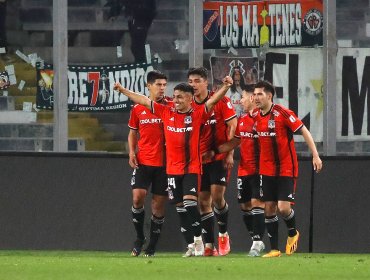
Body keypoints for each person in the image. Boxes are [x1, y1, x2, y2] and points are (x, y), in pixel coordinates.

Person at [114, 76, 233, 257]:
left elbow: (212, 101)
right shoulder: (165, 112)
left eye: (180, 97)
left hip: (191, 168)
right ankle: (192, 245)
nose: (175, 100)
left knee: (190, 204)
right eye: (175, 96)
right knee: (181, 208)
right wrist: (122, 91)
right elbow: (143, 100)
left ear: (189, 99)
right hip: (172, 170)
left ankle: (199, 238)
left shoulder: (198, 114)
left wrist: (225, 86)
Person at [252, 80, 322, 258]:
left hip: (286, 168)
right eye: (255, 94)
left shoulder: (282, 113)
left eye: (260, 94)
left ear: (269, 96)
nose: (256, 97)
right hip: (266, 169)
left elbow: (304, 130)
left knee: (283, 208)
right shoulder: (256, 115)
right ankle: (274, 249)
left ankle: (292, 233)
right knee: (269, 208)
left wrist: (315, 155)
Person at [188, 67, 237, 256]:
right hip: (199, 159)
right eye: (191, 81)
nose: (193, 85)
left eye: (197, 81)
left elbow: (232, 125)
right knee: (203, 201)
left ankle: (223, 233)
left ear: (206, 82)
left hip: (218, 156)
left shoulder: (221, 101)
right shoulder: (188, 104)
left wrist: (230, 153)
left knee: (217, 197)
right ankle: (209, 246)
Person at [217, 84, 266, 257]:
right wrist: (217, 151)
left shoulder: (263, 119)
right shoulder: (243, 119)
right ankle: (255, 239)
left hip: (260, 170)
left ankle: (258, 242)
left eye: (243, 98)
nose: (241, 101)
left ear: (252, 98)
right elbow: (235, 141)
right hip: (244, 170)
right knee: (245, 205)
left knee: (257, 203)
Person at [127, 70, 170, 257]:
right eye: (158, 85)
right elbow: (132, 132)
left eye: (164, 85)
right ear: (148, 86)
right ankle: (139, 238)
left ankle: (152, 246)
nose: (162, 88)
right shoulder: (137, 109)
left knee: (158, 205)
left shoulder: (170, 106)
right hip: (144, 161)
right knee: (137, 197)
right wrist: (131, 151)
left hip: (165, 164)